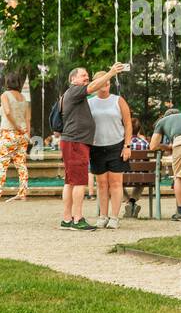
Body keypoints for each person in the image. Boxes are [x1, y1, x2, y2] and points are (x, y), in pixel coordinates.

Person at [57, 61, 129, 230]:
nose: (87, 79)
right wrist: (111, 72)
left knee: (71, 182)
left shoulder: (75, 94)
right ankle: (77, 219)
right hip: (76, 142)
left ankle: (67, 219)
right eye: (83, 76)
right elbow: (93, 87)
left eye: (87, 76)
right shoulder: (76, 91)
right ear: (73, 79)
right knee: (80, 182)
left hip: (73, 141)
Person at [87, 76, 133, 229]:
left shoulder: (118, 100)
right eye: (101, 82)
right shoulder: (89, 102)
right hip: (96, 147)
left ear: (110, 84)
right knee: (101, 184)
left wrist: (127, 145)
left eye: (107, 82)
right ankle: (103, 216)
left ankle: (114, 217)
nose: (104, 85)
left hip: (116, 146)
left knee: (115, 183)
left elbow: (127, 123)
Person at [0, 71, 31, 202]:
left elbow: (7, 112)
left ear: (7, 82)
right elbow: (28, 119)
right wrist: (26, 134)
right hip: (22, 134)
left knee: (2, 164)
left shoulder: (5, 95)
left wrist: (16, 126)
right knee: (21, 164)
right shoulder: (24, 98)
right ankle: (22, 193)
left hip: (9, 133)